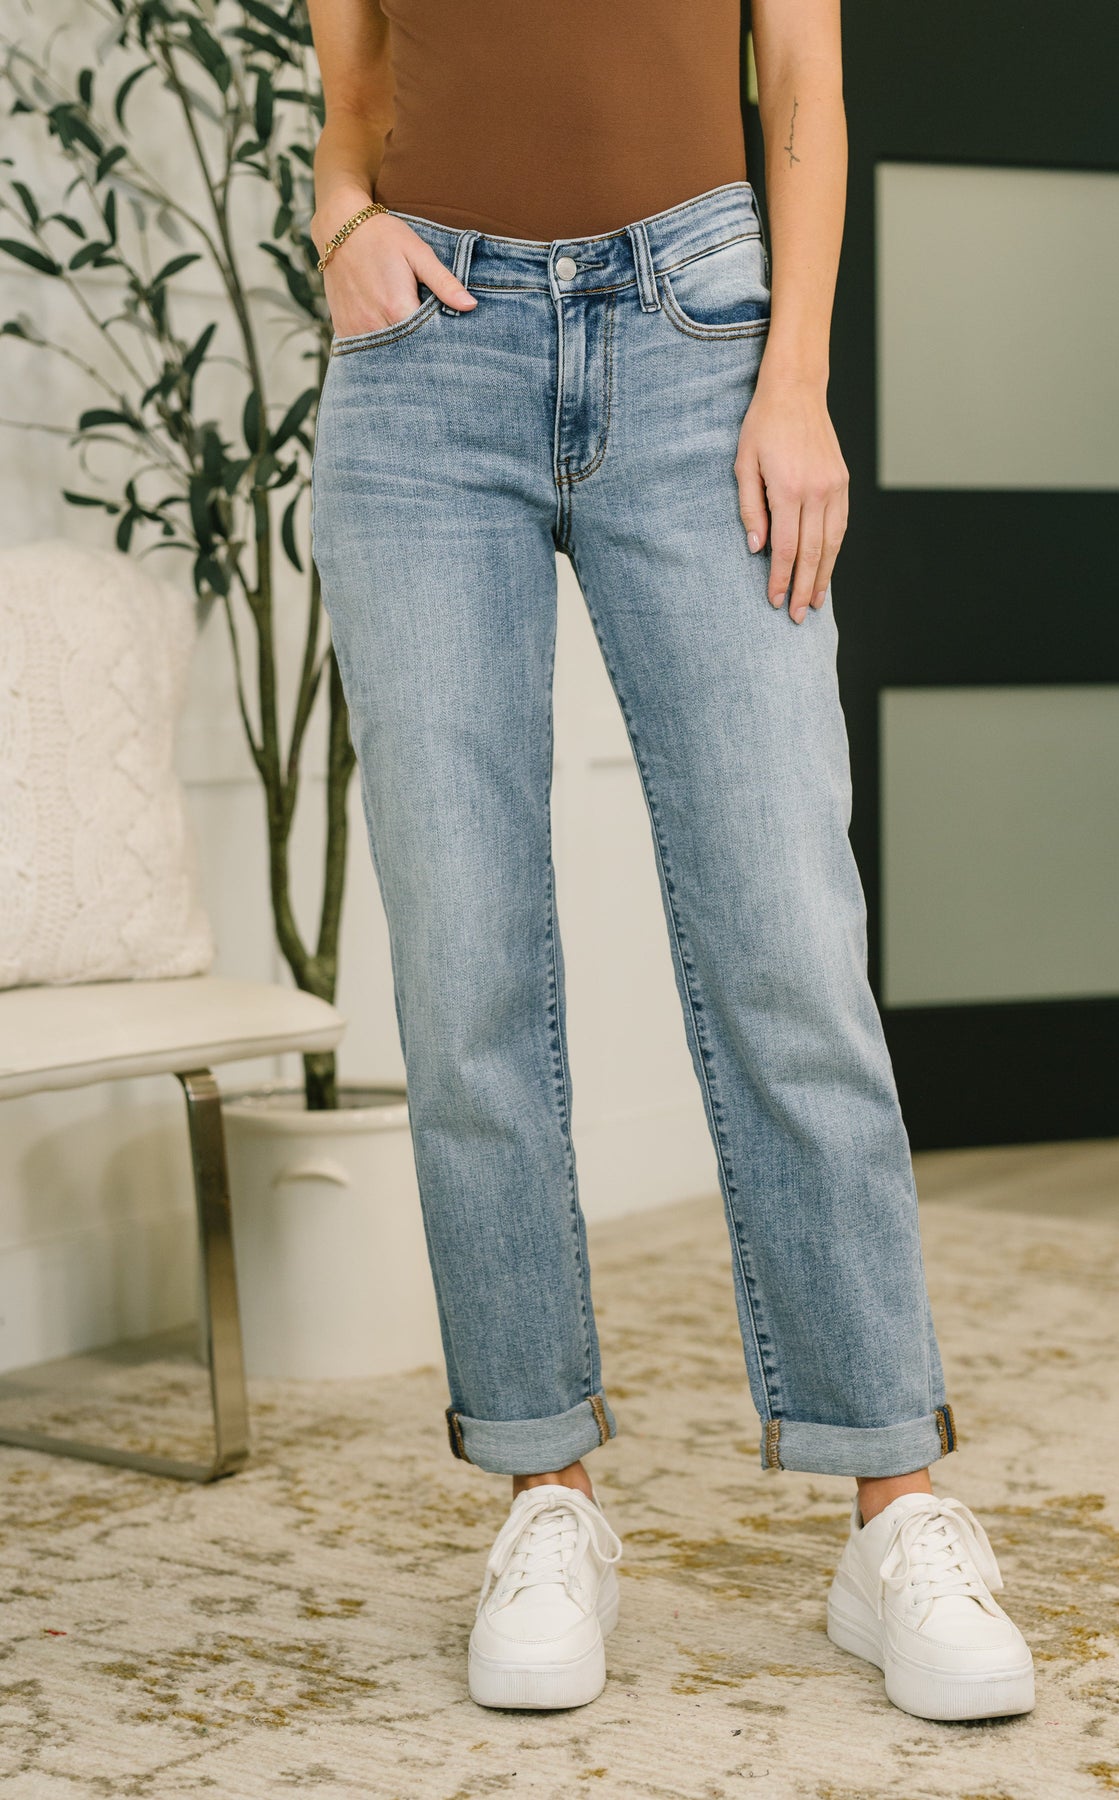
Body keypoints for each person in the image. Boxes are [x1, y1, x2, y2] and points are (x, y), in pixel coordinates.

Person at [306, 0, 1035, 1724]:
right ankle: (544, 1494)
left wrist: (793, 381)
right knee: (465, 964)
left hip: (702, 331)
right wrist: (341, 229)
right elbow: (354, 100)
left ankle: (892, 1507)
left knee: (785, 938)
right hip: (426, 371)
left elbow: (804, 85)